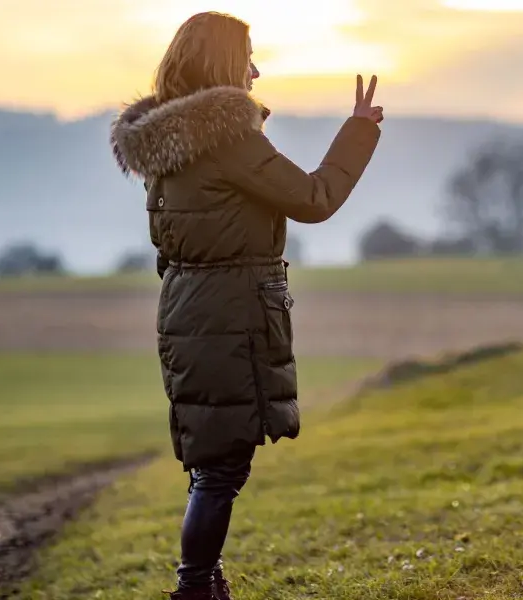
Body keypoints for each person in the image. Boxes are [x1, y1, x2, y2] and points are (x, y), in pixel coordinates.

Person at [109, 11, 383, 600]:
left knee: (212, 461)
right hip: (228, 316)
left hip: (189, 309)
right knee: (222, 468)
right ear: (226, 65)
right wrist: (358, 131)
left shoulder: (168, 142)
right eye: (248, 58)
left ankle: (205, 582)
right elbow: (314, 198)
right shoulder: (227, 138)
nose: (256, 72)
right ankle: (194, 589)